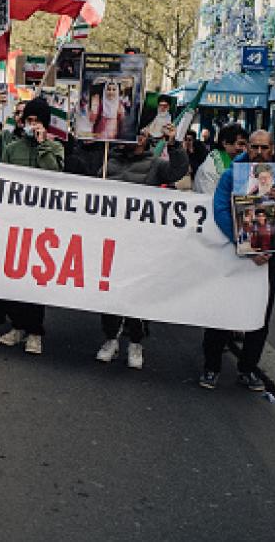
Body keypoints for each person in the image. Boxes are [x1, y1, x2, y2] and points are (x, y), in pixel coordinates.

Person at [200, 130, 275, 391]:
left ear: (272, 148)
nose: (259, 152)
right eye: (254, 147)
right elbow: (220, 212)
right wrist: (245, 245)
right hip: (235, 255)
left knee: (260, 316)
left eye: (264, 148)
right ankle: (211, 367)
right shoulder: (231, 175)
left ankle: (247, 369)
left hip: (267, 259)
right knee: (222, 311)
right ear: (248, 148)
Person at [92, 120, 189, 369]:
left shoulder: (155, 165)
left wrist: (174, 145)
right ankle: (110, 339)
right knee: (110, 293)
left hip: (141, 242)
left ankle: (136, 342)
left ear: (146, 138)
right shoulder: (109, 162)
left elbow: (178, 171)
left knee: (138, 292)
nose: (134, 139)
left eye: (139, 134)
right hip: (112, 240)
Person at [0, 98, 64, 355]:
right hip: (16, 220)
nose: (32, 125)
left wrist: (43, 146)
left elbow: (55, 175)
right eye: (29, 120)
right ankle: (17, 326)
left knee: (35, 280)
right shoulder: (12, 148)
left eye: (37, 121)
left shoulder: (55, 148)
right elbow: (2, 179)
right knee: (13, 275)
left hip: (41, 224)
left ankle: (35, 331)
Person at [193, 124, 247, 194]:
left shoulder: (240, 161)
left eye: (246, 145)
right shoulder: (210, 169)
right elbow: (211, 198)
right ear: (225, 143)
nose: (244, 149)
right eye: (241, 144)